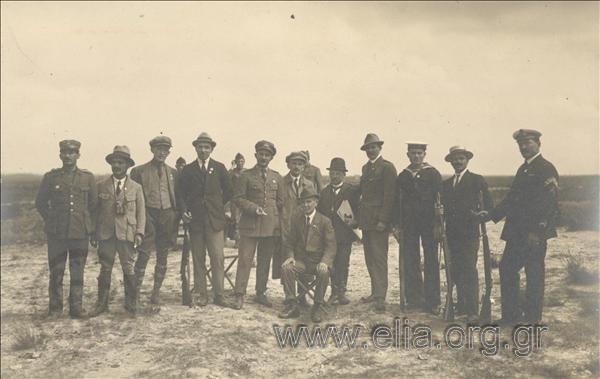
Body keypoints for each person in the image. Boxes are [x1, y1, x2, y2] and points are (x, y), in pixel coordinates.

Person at [483, 129, 559, 325]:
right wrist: (491, 215)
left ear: (538, 144)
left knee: (534, 273)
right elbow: (511, 199)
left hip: (533, 233)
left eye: (528, 143)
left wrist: (537, 232)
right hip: (516, 232)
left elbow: (549, 204)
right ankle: (511, 316)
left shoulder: (546, 168)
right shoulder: (522, 169)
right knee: (507, 268)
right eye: (520, 144)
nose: (524, 147)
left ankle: (534, 320)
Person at [35, 139, 97, 319]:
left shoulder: (88, 177)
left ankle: (76, 309)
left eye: (72, 152)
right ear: (60, 155)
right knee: (56, 271)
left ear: (78, 155)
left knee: (77, 271)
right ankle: (55, 309)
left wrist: (87, 224)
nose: (68, 156)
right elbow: (40, 203)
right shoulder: (51, 177)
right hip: (57, 233)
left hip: (79, 232)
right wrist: (52, 219)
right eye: (65, 152)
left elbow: (93, 205)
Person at [178, 133, 233, 307]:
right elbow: (180, 194)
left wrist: (217, 206)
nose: (203, 150)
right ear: (195, 148)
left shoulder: (219, 168)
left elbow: (229, 191)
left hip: (215, 222)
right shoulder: (188, 170)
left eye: (206, 147)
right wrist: (184, 210)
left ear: (212, 149)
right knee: (198, 258)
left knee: (217, 257)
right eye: (200, 146)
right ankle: (202, 294)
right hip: (195, 222)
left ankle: (219, 295)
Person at [90, 146, 145, 317]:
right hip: (106, 235)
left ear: (127, 165)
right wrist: (93, 233)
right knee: (105, 268)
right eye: (114, 162)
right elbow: (95, 212)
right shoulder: (101, 186)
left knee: (128, 268)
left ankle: (131, 304)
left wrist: (139, 233)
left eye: (121, 162)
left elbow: (141, 213)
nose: (117, 166)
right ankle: (102, 304)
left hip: (127, 234)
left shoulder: (136, 188)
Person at [440, 146, 493, 323]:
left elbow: (489, 206)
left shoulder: (477, 181)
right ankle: (460, 305)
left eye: (461, 158)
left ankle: (472, 310)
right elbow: (442, 210)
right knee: (454, 269)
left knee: (469, 269)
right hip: (451, 234)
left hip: (470, 233)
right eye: (454, 159)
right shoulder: (446, 185)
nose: (457, 162)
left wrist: (482, 215)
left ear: (467, 160)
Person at [231, 141, 283, 310]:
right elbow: (237, 199)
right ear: (256, 155)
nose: (263, 157)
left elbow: (280, 202)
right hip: (249, 225)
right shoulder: (245, 176)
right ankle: (239, 294)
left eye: (267, 155)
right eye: (261, 154)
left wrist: (276, 222)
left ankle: (260, 293)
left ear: (271, 157)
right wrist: (254, 208)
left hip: (269, 226)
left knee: (264, 261)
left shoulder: (277, 177)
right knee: (245, 260)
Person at [131, 135, 178, 309]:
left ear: (168, 152)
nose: (162, 153)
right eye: (158, 149)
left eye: (165, 150)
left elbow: (177, 198)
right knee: (143, 254)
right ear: (152, 150)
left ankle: (156, 292)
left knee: (163, 254)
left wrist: (175, 216)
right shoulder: (139, 171)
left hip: (167, 216)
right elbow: (133, 199)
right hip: (147, 216)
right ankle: (134, 294)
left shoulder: (173, 173)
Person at [395, 141, 442, 314]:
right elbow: (396, 202)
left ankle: (432, 301)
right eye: (413, 153)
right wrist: (397, 225)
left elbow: (440, 199)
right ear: (408, 155)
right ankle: (414, 298)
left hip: (428, 223)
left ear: (424, 155)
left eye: (419, 153)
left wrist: (438, 223)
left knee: (431, 259)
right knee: (410, 259)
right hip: (409, 224)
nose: (416, 156)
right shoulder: (403, 176)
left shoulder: (433, 173)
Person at [279, 187, 336, 322]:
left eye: (309, 201)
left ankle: (317, 305)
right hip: (301, 262)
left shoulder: (324, 221)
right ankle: (292, 304)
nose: (306, 205)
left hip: (318, 262)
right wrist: (291, 257)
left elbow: (331, 246)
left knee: (323, 271)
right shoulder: (297, 219)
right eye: (303, 202)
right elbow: (289, 242)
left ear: (316, 202)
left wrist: (325, 262)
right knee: (287, 268)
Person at [358, 133, 397, 313]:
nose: (371, 150)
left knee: (379, 258)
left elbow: (390, 196)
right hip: (366, 221)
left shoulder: (387, 168)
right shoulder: (366, 168)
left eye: (373, 147)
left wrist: (383, 220)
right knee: (369, 258)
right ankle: (375, 292)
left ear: (379, 148)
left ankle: (381, 296)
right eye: (368, 148)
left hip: (378, 222)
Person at [317, 157, 360, 305]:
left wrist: (354, 222)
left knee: (343, 262)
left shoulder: (351, 191)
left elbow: (357, 210)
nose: (334, 176)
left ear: (343, 174)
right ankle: (333, 292)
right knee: (331, 264)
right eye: (332, 173)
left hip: (344, 235)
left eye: (338, 173)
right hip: (328, 236)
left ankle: (341, 291)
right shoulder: (324, 192)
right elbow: (320, 213)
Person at [228, 153, 246, 245]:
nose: (240, 163)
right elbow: (226, 179)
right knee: (235, 219)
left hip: (245, 199)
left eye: (242, 161)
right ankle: (237, 241)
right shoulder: (232, 172)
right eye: (239, 161)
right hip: (235, 200)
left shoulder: (246, 172)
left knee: (243, 219)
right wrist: (232, 166)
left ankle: (242, 240)